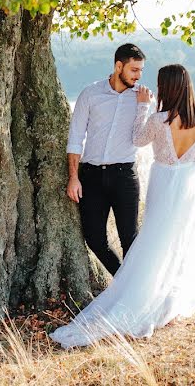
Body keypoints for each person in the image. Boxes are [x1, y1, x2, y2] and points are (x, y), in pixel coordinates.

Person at [51, 64, 195, 348]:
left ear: (168, 88)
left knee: (153, 240)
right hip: (189, 188)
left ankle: (143, 293)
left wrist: (142, 106)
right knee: (176, 243)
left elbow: (137, 139)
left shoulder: (160, 119)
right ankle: (165, 295)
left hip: (164, 183)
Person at [65, 43, 146, 276]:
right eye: (133, 70)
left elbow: (146, 134)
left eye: (140, 70)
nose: (138, 76)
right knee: (93, 238)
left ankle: (131, 290)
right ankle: (122, 281)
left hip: (124, 176)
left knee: (130, 240)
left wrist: (144, 107)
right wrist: (73, 178)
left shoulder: (142, 97)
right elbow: (75, 137)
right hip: (91, 176)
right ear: (118, 66)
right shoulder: (90, 94)